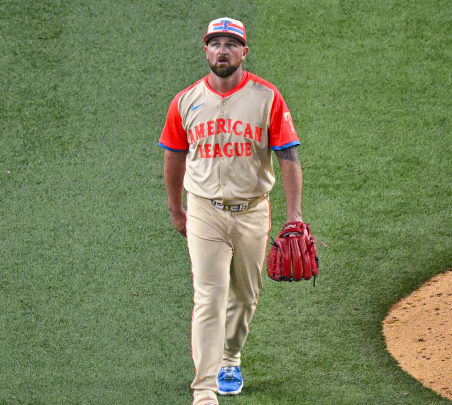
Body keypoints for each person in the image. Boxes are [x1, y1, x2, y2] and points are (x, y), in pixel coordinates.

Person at [159, 17, 305, 405]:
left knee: (245, 296)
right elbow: (173, 157)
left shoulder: (267, 97)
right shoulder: (186, 101)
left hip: (253, 212)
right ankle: (204, 389)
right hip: (204, 210)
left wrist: (295, 216)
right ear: (206, 51)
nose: (222, 50)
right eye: (215, 43)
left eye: (230, 43)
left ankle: (230, 357)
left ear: (244, 52)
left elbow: (289, 157)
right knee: (209, 296)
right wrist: (176, 209)